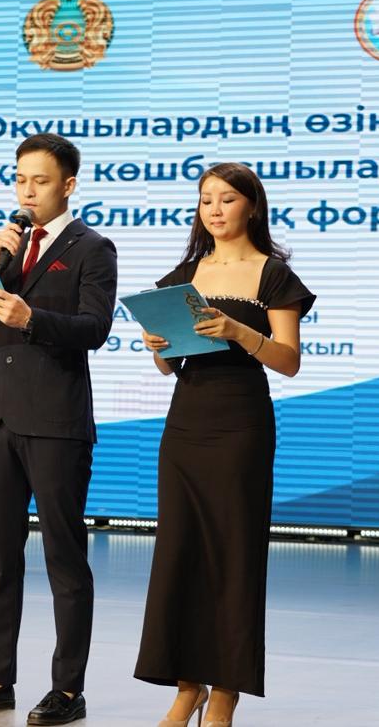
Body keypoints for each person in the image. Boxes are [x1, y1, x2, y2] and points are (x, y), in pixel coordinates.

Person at [0, 132, 117, 725]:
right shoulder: (7, 248)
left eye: (40, 181)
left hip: (56, 421)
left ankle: (68, 689)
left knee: (64, 558)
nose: (27, 191)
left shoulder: (93, 248)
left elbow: (94, 328)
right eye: (20, 180)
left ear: (68, 185)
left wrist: (32, 317)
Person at [134, 162, 315, 726]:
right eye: (206, 199)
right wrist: (158, 347)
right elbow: (169, 366)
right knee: (179, 553)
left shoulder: (273, 274)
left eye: (227, 198)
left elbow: (288, 361)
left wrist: (239, 331)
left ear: (251, 207)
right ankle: (186, 687)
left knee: (233, 556)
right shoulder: (186, 274)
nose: (214, 209)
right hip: (185, 423)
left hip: (241, 424)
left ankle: (226, 691)